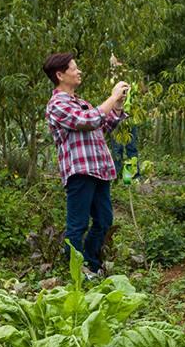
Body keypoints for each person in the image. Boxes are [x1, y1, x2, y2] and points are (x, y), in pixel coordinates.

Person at [43, 52, 128, 277]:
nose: (78, 71)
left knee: (104, 220)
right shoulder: (57, 104)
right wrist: (111, 97)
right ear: (60, 75)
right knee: (78, 224)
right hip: (80, 171)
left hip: (99, 169)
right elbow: (87, 121)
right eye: (74, 68)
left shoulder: (81, 102)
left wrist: (117, 105)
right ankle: (75, 270)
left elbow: (102, 126)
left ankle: (90, 263)